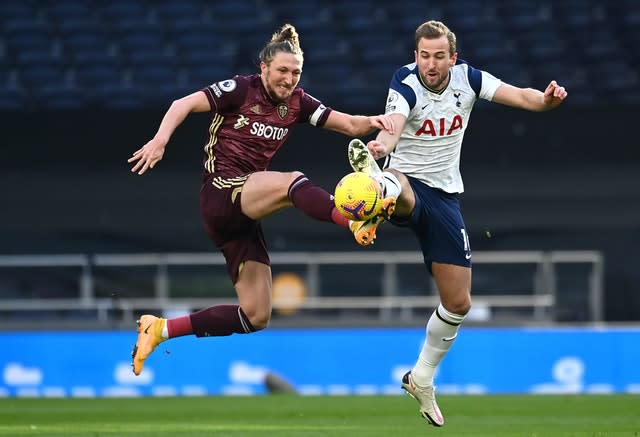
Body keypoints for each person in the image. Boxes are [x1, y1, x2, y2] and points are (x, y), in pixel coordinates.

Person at [127, 23, 394, 376]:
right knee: (292, 182)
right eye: (282, 70)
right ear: (264, 68)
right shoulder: (240, 89)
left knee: (256, 315)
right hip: (222, 191)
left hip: (243, 214)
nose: (289, 79)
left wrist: (381, 122)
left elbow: (348, 125)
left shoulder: (298, 103)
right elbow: (183, 103)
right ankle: (352, 220)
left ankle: (160, 329)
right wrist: (160, 140)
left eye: (296, 72)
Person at [346, 20, 567, 427]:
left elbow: (520, 95)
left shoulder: (470, 79)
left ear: (453, 56)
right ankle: (375, 192)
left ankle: (422, 377)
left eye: (439, 56)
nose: (431, 64)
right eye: (424, 56)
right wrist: (382, 145)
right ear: (416, 56)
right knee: (397, 184)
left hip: (446, 197)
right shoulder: (405, 82)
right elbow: (394, 120)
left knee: (458, 303)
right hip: (408, 182)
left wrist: (546, 101)